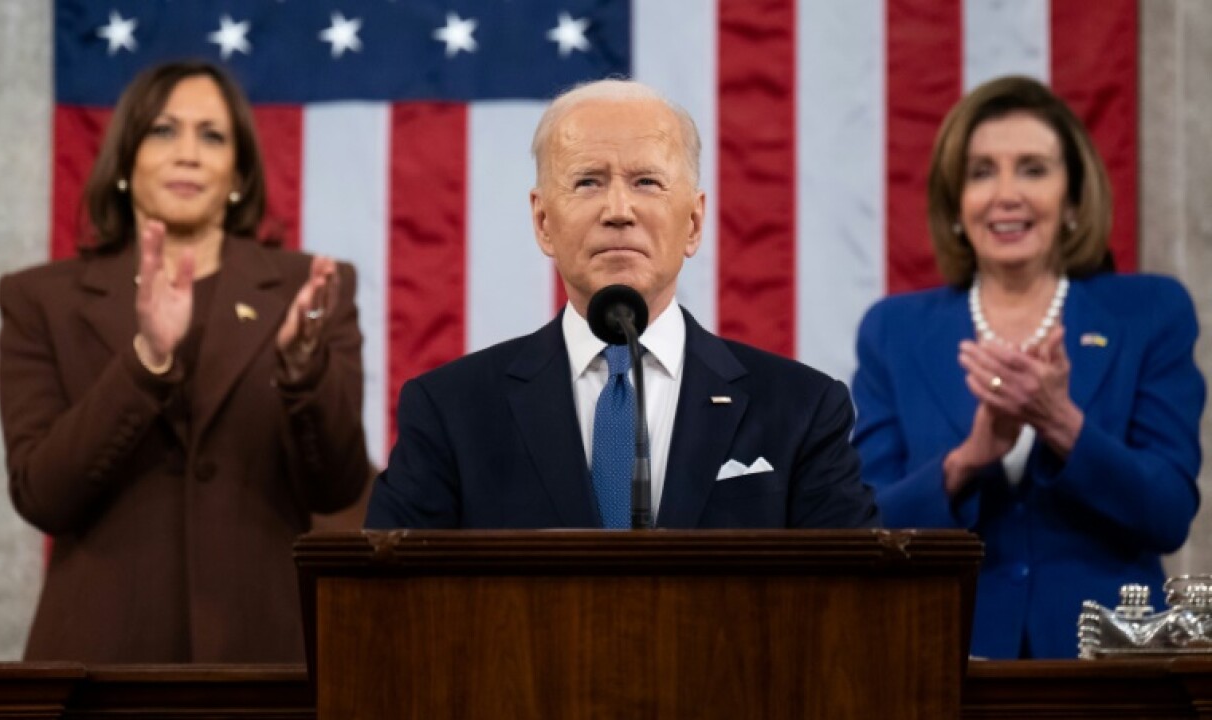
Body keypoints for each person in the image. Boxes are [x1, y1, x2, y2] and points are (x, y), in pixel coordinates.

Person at [366, 79, 879, 531]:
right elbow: (387, 605)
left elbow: (856, 603)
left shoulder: (801, 410)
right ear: (544, 222)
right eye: (588, 181)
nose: (618, 211)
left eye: (646, 182)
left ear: (694, 223)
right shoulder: (450, 412)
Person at [0, 61, 371, 663]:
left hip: (267, 661)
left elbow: (339, 485)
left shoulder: (311, 289)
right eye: (164, 131)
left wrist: (304, 372)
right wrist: (145, 360)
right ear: (124, 161)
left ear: (239, 173)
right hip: (99, 664)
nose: (189, 153)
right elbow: (43, 494)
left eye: (213, 135)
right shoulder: (40, 299)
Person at [852, 76, 1204, 658]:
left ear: (1072, 200)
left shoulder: (1149, 313)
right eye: (982, 171)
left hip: (1109, 671)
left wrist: (1064, 425)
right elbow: (865, 525)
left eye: (1033, 169)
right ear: (957, 204)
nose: (1006, 193)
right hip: (938, 660)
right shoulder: (895, 331)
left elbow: (1168, 513)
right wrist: (967, 462)